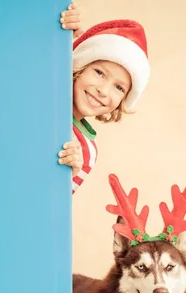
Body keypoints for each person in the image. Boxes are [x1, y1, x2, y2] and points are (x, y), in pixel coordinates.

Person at [58, 4, 151, 194]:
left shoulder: (86, 153)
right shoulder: (44, 95)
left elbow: (53, 207)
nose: (103, 90)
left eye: (119, 87)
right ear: (79, 67)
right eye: (99, 73)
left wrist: (64, 178)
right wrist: (59, 35)